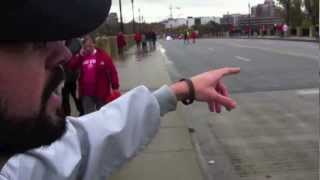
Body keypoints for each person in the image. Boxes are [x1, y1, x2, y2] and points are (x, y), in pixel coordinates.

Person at [0, 0, 240, 180]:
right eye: (36, 40)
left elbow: (81, 145)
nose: (63, 53)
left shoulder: (14, 164)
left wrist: (180, 90)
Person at [68, 35, 120, 114]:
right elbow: (72, 66)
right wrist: (80, 55)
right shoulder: (81, 56)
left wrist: (115, 87)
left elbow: (112, 71)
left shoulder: (103, 56)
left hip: (101, 93)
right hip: (86, 94)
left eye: (90, 46)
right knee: (88, 116)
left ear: (94, 44)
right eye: (86, 46)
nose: (88, 48)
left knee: (103, 114)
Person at [62, 39, 84, 116]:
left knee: (77, 97)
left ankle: (82, 113)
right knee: (64, 99)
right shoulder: (58, 41)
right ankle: (67, 116)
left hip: (75, 76)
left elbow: (82, 56)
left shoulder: (77, 42)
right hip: (62, 78)